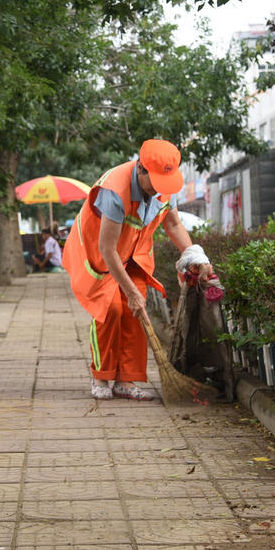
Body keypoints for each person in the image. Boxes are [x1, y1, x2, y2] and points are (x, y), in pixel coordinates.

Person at [62, 139, 213, 401]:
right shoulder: (114, 189)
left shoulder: (166, 185)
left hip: (134, 254)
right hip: (100, 254)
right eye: (154, 183)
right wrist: (129, 292)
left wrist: (194, 255)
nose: (158, 190)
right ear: (141, 169)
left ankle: (126, 381)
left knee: (135, 312)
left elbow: (174, 224)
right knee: (111, 308)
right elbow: (108, 249)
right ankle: (102, 375)